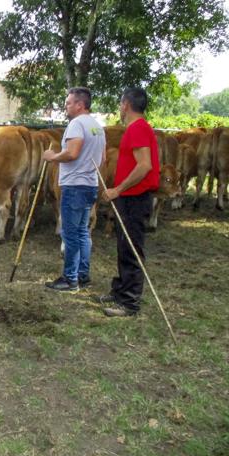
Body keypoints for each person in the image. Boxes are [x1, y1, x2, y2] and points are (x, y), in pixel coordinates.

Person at [100, 87, 160, 317]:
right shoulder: (138, 128)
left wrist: (118, 189)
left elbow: (144, 165)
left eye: (120, 103)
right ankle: (119, 291)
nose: (119, 108)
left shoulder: (137, 129)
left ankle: (129, 303)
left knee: (132, 249)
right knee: (124, 246)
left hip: (135, 198)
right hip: (129, 197)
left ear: (125, 104)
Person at [43, 87, 106, 292]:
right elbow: (103, 159)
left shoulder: (76, 124)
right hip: (89, 184)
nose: (66, 106)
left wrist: (52, 157)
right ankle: (82, 275)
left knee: (70, 234)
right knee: (82, 232)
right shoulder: (98, 127)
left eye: (69, 102)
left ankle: (70, 279)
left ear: (80, 104)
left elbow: (71, 153)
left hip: (74, 185)